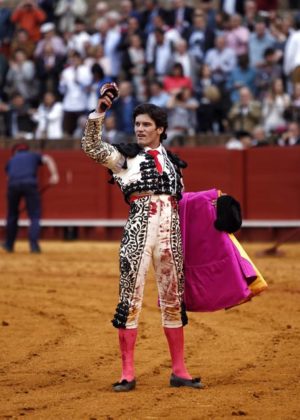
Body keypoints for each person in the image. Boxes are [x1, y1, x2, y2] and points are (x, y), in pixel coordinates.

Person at [81, 82, 204, 392]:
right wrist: (100, 112)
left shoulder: (175, 163)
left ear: (160, 129)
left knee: (174, 300)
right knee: (130, 299)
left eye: (146, 125)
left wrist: (215, 202)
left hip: (170, 229)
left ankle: (179, 370)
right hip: (139, 227)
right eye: (137, 124)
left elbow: (184, 201)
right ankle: (127, 372)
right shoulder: (124, 157)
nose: (139, 129)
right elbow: (92, 148)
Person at [2, 142, 59, 253]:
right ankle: (34, 246)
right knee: (34, 215)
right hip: (30, 184)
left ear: (15, 151)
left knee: (12, 215)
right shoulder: (33, 155)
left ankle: (9, 245)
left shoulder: (11, 160)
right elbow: (48, 159)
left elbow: (8, 178)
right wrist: (54, 174)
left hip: (13, 186)